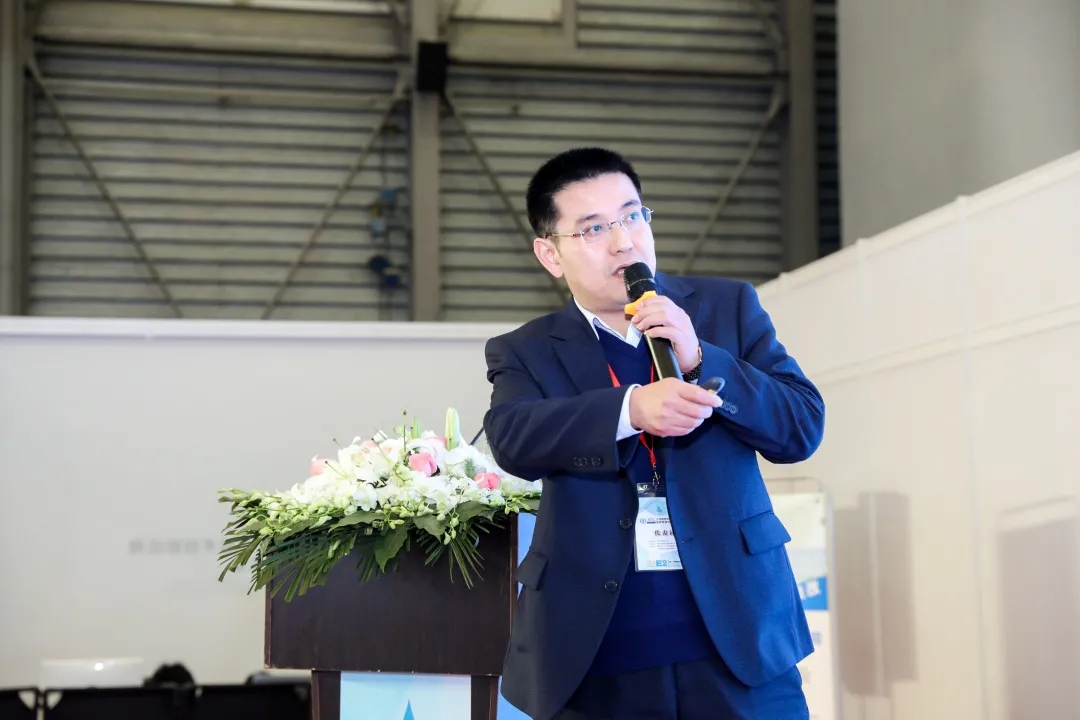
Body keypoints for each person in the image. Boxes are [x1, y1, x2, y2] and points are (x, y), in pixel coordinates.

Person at [482, 147, 826, 720]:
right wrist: (630, 409)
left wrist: (700, 356)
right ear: (550, 253)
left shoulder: (725, 308)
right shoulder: (527, 349)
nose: (624, 242)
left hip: (740, 640)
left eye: (632, 216)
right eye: (594, 228)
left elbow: (801, 425)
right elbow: (514, 437)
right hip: (596, 654)